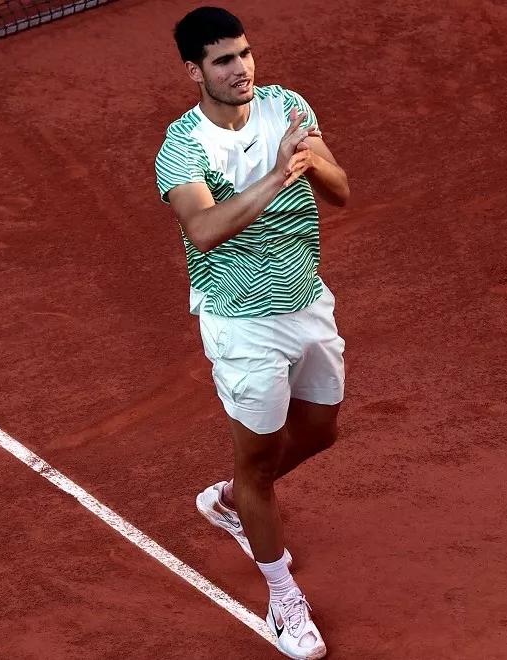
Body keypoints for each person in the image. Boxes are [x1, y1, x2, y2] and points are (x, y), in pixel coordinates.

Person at [154, 7, 350, 659]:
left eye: (244, 54)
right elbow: (204, 231)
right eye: (222, 60)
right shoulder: (182, 148)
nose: (240, 69)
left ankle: (234, 502)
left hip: (306, 301)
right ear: (194, 72)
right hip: (241, 326)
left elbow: (340, 189)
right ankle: (283, 601)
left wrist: (311, 160)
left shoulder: (288, 106)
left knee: (322, 429)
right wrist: (277, 175)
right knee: (257, 464)